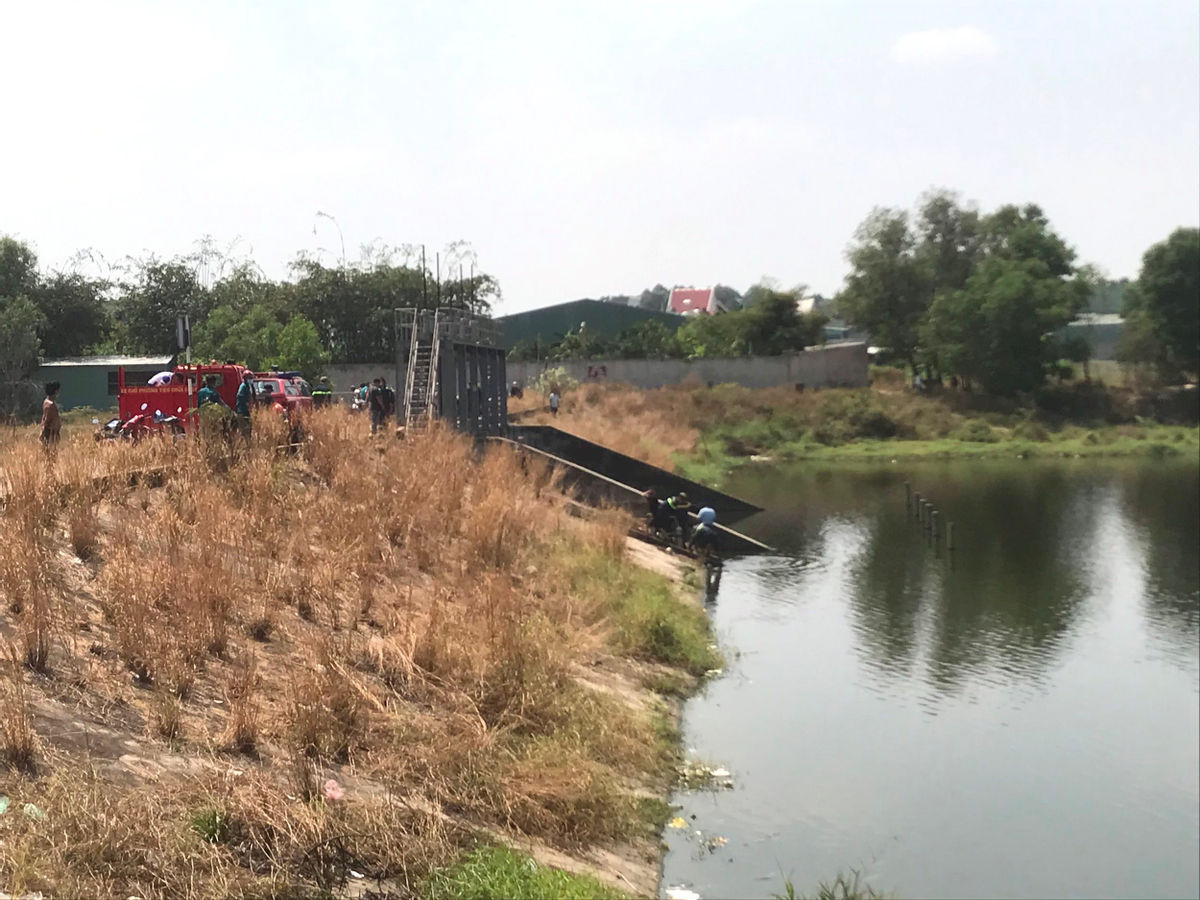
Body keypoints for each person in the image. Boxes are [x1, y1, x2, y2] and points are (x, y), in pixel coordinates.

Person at [40, 381, 62, 446]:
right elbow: (46, 420)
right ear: (55, 391)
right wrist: (43, 432)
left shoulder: (46, 402)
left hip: (52, 433)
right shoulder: (51, 405)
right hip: (50, 434)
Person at [235, 371, 254, 436]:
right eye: (250, 378)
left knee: (248, 429)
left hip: (246, 411)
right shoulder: (243, 386)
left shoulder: (247, 386)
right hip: (242, 411)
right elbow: (240, 396)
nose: (251, 379)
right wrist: (247, 403)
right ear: (245, 378)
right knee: (244, 430)